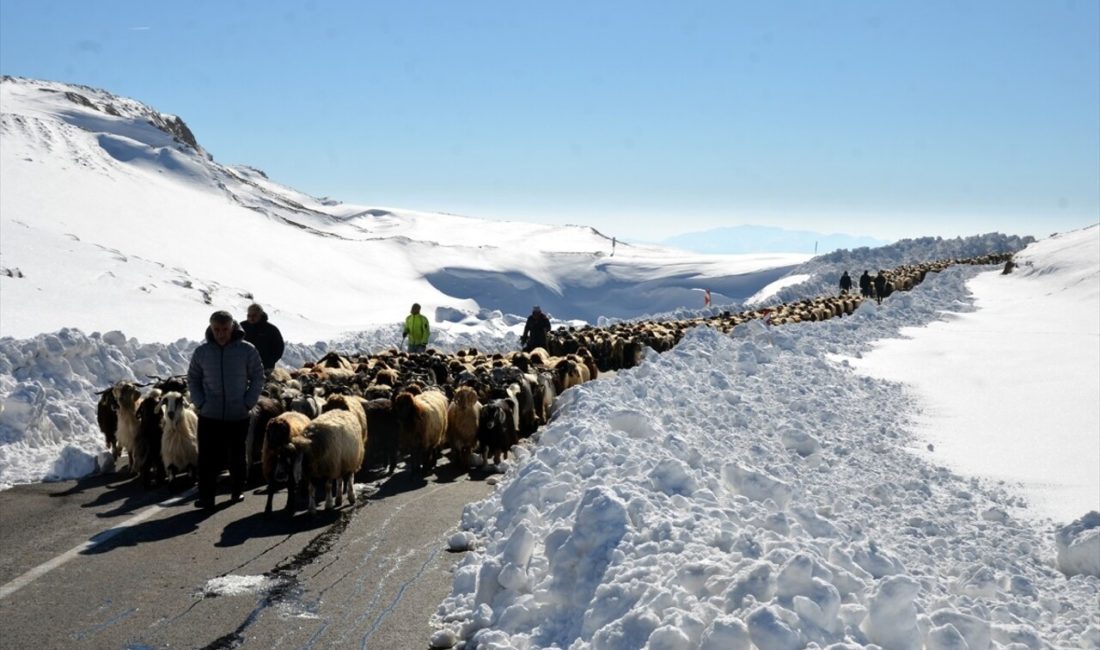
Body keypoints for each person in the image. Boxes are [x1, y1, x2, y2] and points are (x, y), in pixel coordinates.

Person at [187, 310, 265, 509]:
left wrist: (248, 402)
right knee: (206, 458)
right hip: (209, 414)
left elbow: (258, 376)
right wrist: (200, 402)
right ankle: (206, 497)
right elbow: (193, 378)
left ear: (232, 328)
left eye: (224, 329)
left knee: (237, 455)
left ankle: (237, 490)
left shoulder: (247, 350)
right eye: (216, 329)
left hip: (237, 414)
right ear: (211, 328)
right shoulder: (202, 352)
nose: (220, 334)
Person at [241, 303, 284, 373]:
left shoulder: (271, 329)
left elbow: (279, 348)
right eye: (249, 315)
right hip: (243, 367)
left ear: (260, 315)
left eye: (254, 315)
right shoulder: (242, 327)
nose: (251, 318)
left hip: (265, 368)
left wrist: (270, 362)